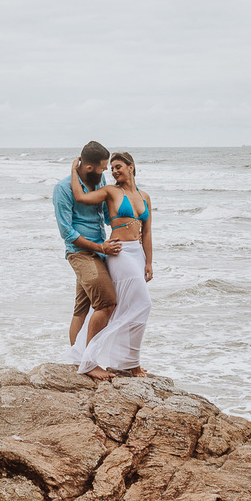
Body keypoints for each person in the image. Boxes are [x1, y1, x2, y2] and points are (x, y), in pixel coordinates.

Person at [68, 151, 152, 379]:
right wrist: (73, 170)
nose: (114, 171)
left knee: (127, 308)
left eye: (118, 167)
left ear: (131, 167)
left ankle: (126, 362)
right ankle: (113, 362)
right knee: (143, 304)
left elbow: (147, 233)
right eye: (112, 168)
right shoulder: (111, 192)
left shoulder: (145, 196)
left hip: (137, 254)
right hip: (119, 252)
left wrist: (149, 262)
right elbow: (80, 197)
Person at [52, 142, 123, 348]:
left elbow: (108, 217)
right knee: (107, 303)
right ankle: (90, 361)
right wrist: (100, 247)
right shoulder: (63, 189)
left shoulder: (99, 183)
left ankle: (77, 358)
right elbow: (67, 232)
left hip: (100, 251)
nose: (105, 171)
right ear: (89, 167)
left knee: (81, 309)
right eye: (102, 167)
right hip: (81, 253)